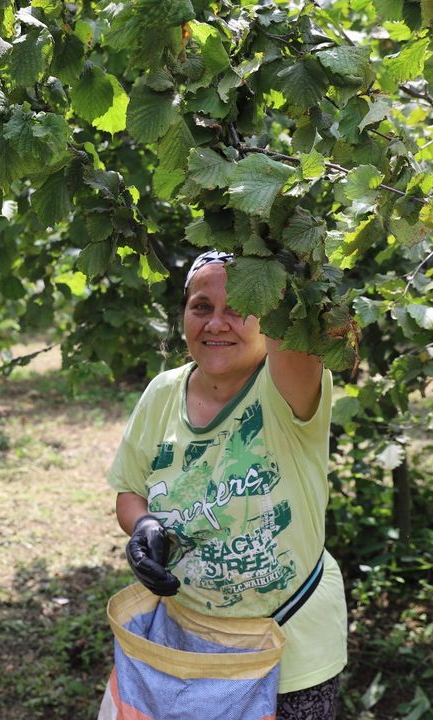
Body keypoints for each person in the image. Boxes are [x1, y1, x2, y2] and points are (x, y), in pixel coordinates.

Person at [108, 251, 347, 719]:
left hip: (288, 649)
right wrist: (143, 527)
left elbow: (294, 309)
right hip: (185, 644)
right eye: (201, 307)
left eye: (239, 307)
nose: (217, 323)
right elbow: (130, 492)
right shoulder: (161, 394)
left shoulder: (284, 389)